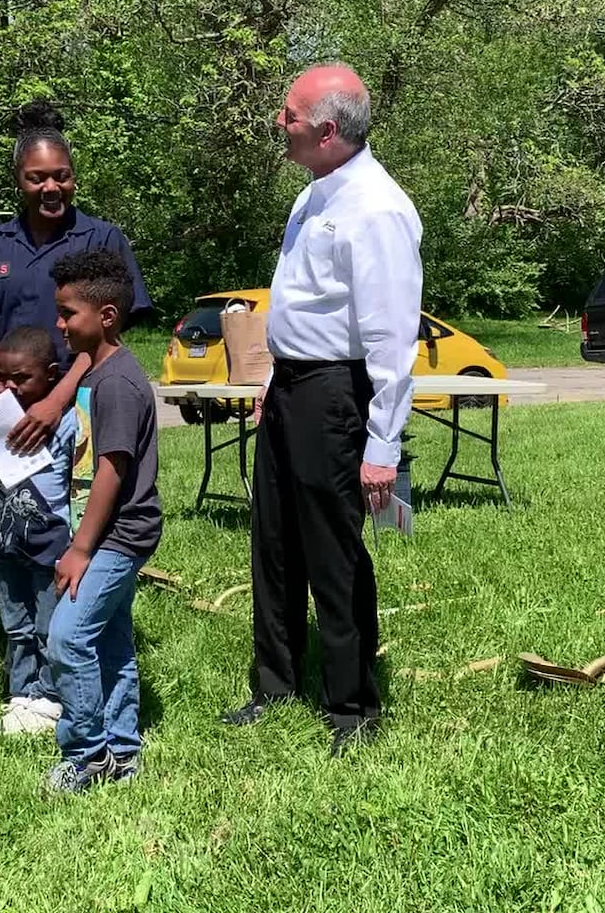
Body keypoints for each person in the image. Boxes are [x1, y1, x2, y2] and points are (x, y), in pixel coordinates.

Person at [221, 63, 423, 756]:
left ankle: (352, 706)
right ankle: (275, 685)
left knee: (333, 553)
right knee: (274, 542)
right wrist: (275, 378)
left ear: (328, 132)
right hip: (290, 389)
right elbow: (306, 303)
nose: (281, 123)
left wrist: (382, 447)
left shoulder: (377, 208)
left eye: (290, 116)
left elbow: (394, 341)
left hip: (337, 393)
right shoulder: (313, 196)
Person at [0, 100, 152, 457]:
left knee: (75, 506)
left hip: (82, 401)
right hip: (12, 406)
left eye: (62, 175)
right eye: (36, 177)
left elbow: (108, 337)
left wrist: (57, 401)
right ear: (18, 180)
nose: (51, 187)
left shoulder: (102, 239)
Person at [41, 249, 161, 794]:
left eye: (69, 314)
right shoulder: (101, 371)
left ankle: (88, 755)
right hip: (106, 535)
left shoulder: (116, 384)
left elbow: (112, 470)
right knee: (109, 640)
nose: (59, 324)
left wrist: (82, 548)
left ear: (107, 316)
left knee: (67, 637)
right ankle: (123, 749)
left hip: (116, 537)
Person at [0, 326, 82, 735]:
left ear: (52, 374)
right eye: (4, 376)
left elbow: (78, 483)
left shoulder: (63, 421)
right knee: (17, 625)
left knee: (47, 626)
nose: (11, 386)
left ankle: (50, 698)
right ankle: (21, 692)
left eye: (21, 378)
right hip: (1, 540)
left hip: (49, 543)